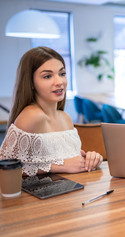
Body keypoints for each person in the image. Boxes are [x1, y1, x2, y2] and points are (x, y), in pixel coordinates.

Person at [0, 47, 103, 176]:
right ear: (31, 83)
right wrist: (60, 166)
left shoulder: (65, 117)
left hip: (74, 190)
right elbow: (5, 168)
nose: (59, 82)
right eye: (47, 76)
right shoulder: (32, 116)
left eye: (62, 74)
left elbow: (67, 159)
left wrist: (89, 158)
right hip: (42, 194)